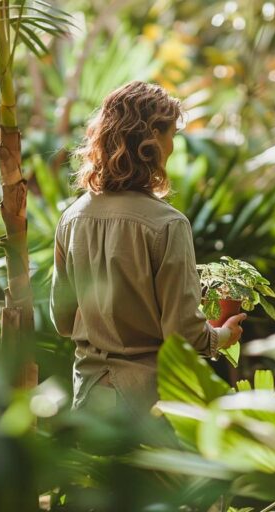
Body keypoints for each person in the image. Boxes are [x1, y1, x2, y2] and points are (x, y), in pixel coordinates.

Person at [50, 81, 245, 413]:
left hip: (88, 399)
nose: (172, 146)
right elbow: (182, 335)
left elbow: (62, 320)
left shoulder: (72, 218)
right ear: (152, 140)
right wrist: (223, 336)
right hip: (149, 407)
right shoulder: (167, 224)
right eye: (170, 134)